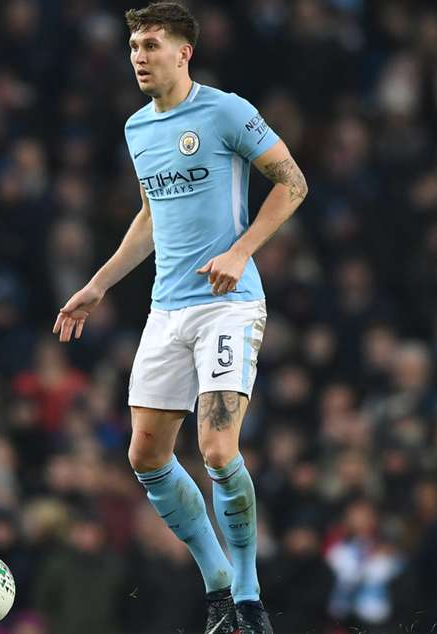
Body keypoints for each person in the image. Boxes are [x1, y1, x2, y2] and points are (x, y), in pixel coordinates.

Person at [52, 3, 307, 632]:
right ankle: (217, 582)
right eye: (134, 46)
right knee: (145, 455)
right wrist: (98, 284)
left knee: (218, 449)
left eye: (151, 45)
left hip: (228, 304)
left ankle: (247, 595)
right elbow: (150, 216)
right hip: (166, 309)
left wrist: (240, 251)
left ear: (183, 52)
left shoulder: (225, 111)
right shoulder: (138, 128)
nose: (139, 57)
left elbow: (293, 183)